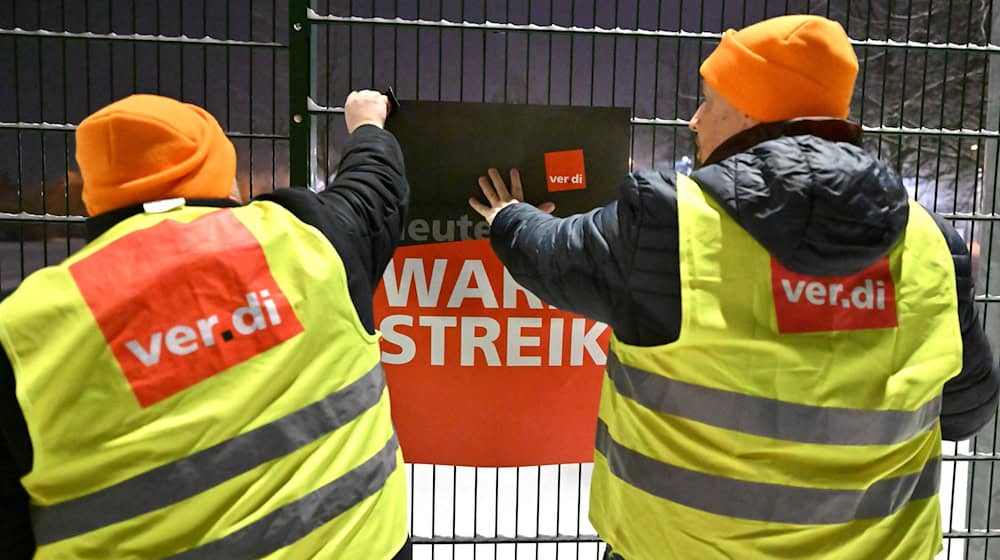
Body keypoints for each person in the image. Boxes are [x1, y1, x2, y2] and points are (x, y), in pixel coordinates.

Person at [470, 14, 999, 560]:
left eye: (710, 101)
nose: (695, 120)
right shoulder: (933, 243)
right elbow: (966, 410)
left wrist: (508, 215)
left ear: (752, 111)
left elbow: (552, 259)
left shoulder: (671, 224)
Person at [0, 91, 412, 559]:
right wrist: (368, 124)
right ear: (224, 178)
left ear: (96, 196)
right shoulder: (308, 241)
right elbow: (375, 186)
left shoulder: (24, 328)